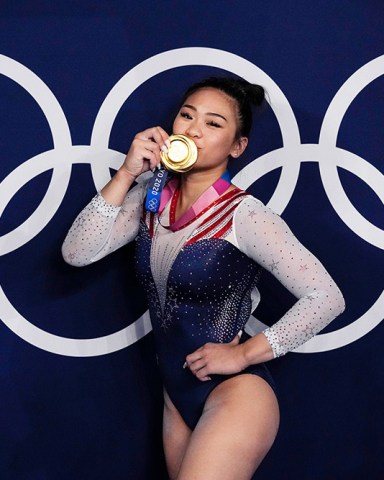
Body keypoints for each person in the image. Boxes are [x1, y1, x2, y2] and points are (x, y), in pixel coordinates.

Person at [62, 76, 345, 480]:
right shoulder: (151, 197)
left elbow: (326, 297)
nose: (193, 129)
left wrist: (245, 355)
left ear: (237, 146)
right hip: (176, 396)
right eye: (187, 115)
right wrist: (126, 174)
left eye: (213, 123)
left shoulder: (245, 215)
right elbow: (76, 252)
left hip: (236, 394)